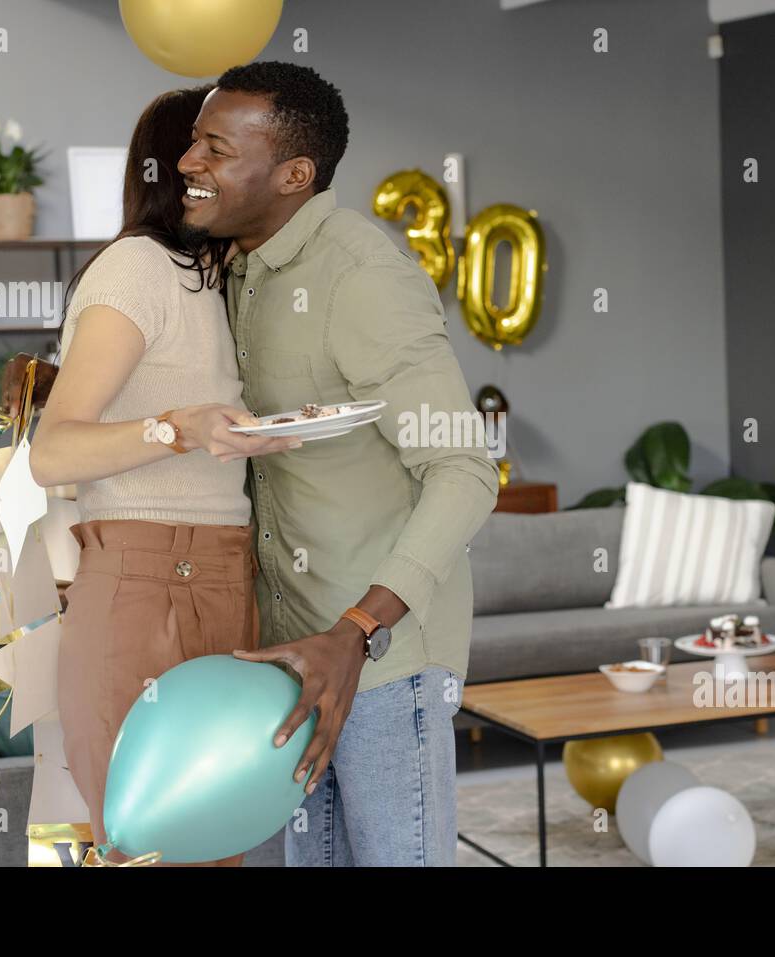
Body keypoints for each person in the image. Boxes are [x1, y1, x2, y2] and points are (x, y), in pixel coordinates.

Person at [178, 61, 499, 866]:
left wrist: (357, 631)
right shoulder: (239, 271)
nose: (189, 162)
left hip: (380, 658)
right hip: (288, 654)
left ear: (294, 174)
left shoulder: (361, 277)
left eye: (216, 147)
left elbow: (466, 468)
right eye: (193, 143)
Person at [27, 86, 297, 866]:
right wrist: (177, 428)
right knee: (149, 847)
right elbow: (55, 451)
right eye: (218, 147)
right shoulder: (139, 268)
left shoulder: (220, 281)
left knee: (216, 846)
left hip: (220, 571)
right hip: (148, 573)